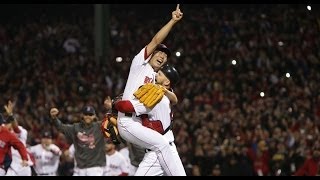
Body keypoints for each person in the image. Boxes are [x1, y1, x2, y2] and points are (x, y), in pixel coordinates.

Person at [117, 4, 183, 176]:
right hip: (128, 121)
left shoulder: (157, 80)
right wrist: (173, 21)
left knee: (158, 149)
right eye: (159, 53)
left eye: (166, 56)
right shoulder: (140, 64)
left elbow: (174, 99)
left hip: (139, 123)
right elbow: (155, 41)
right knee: (161, 144)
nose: (162, 56)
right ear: (151, 54)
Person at [116, 64, 186, 176]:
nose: (155, 75)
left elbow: (126, 107)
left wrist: (115, 103)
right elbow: (174, 98)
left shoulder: (157, 97)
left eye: (159, 74)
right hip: (166, 147)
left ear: (167, 82)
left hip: (159, 152)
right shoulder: (165, 94)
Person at [50, 105, 106, 176]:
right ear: (82, 115)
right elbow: (61, 127)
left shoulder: (99, 127)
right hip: (80, 169)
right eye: (86, 114)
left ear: (94, 116)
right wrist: (54, 118)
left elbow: (111, 121)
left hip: (94, 168)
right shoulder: (76, 127)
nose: (88, 116)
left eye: (90, 114)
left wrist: (111, 107)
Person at [3, 100, 33, 176]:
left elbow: (16, 129)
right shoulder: (3, 133)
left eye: (9, 123)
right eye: (6, 123)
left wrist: (11, 115)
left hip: (24, 165)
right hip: (12, 166)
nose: (7, 125)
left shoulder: (22, 131)